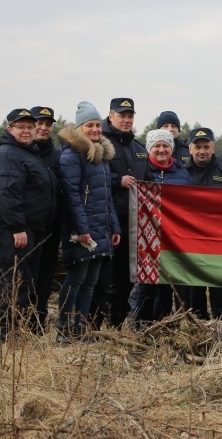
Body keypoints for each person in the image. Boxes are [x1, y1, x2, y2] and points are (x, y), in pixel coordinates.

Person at [56, 102, 121, 343]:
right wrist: (82, 229)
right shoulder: (71, 156)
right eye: (89, 125)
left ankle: (80, 330)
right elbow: (71, 196)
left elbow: (106, 197)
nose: (95, 129)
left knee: (90, 283)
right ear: (79, 128)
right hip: (81, 230)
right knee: (76, 280)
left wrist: (114, 226)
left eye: (97, 125)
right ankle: (64, 330)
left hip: (101, 228)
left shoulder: (100, 156)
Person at [0, 109, 57, 340]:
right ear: (9, 128)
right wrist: (17, 227)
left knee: (25, 282)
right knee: (13, 282)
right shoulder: (8, 154)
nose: (27, 131)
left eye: (30, 127)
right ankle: (7, 335)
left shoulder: (28, 153)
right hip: (17, 231)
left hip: (33, 230)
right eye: (21, 127)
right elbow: (6, 193)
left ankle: (17, 333)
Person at [93, 97, 148, 330]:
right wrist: (117, 180)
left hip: (133, 223)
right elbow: (91, 174)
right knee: (102, 274)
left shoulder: (139, 148)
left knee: (125, 276)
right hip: (106, 220)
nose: (126, 120)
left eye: (130, 116)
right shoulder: (99, 142)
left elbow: (149, 181)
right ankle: (94, 323)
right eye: (121, 115)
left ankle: (116, 323)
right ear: (110, 115)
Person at [179, 127, 222, 321]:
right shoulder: (180, 173)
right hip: (189, 242)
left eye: (206, 147)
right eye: (197, 147)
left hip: (219, 242)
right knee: (192, 290)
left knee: (220, 289)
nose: (202, 151)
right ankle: (195, 329)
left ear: (213, 148)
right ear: (190, 149)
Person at [133, 130, 192, 324]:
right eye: (156, 146)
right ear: (149, 148)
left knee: (167, 284)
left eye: (165, 145)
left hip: (174, 237)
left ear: (171, 149)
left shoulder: (183, 174)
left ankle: (164, 325)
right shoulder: (141, 170)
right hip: (146, 238)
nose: (161, 149)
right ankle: (141, 324)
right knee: (146, 284)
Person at [29, 105, 62, 333]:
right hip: (26, 228)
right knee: (23, 277)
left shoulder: (58, 156)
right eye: (38, 123)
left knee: (45, 277)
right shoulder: (20, 153)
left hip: (52, 228)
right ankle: (17, 324)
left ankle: (38, 324)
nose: (43, 127)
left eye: (48, 124)